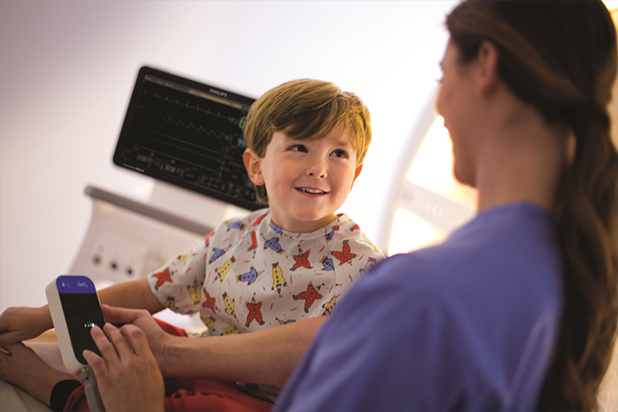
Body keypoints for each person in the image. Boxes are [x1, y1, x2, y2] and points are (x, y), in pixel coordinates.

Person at [273, 2, 618, 411]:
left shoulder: (419, 298)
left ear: (486, 65)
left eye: (443, 75)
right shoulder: (579, 280)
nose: (440, 104)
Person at [0, 78, 383, 411]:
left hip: (268, 401)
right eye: (299, 147)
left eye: (339, 153)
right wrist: (43, 317)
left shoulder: (366, 267)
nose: (319, 168)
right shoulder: (232, 236)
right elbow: (151, 290)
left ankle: (54, 387)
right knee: (126, 333)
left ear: (355, 175)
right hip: (198, 358)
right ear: (256, 166)